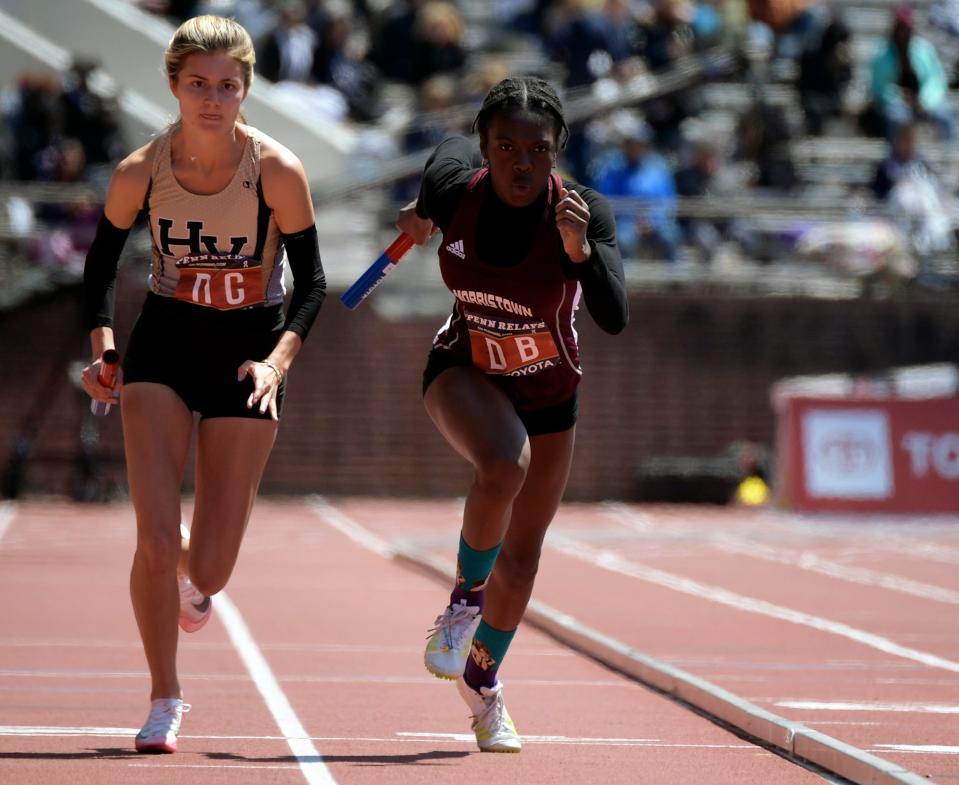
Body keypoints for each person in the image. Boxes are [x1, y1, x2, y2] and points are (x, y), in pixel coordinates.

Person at [80, 15, 325, 754]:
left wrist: (277, 362)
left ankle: (193, 571)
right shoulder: (140, 170)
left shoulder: (276, 170)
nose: (212, 99)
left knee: (208, 565)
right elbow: (97, 269)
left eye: (226, 86)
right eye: (198, 85)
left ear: (245, 90)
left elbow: (312, 284)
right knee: (154, 538)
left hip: (249, 352)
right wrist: (105, 347)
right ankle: (164, 694)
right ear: (175, 87)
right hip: (163, 344)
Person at [396, 76, 628, 752]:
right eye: (504, 147)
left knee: (523, 557)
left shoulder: (583, 211)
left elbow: (613, 316)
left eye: (537, 149)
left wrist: (581, 254)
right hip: (463, 369)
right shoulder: (454, 188)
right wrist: (421, 211)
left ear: (557, 151)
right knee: (503, 462)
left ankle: (482, 685)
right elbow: (441, 149)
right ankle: (464, 601)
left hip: (550, 392)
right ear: (485, 147)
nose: (521, 163)